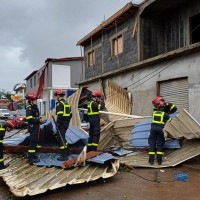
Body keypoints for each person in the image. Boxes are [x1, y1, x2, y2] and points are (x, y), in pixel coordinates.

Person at [148, 100, 172, 165]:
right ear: (163, 109)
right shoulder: (164, 114)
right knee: (159, 144)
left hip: (152, 129)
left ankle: (151, 161)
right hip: (160, 129)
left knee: (152, 144)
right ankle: (159, 161)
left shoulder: (154, 113)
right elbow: (170, 120)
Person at [54, 89, 72, 161]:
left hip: (61, 124)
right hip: (66, 123)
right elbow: (71, 114)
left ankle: (64, 155)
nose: (56, 97)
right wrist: (67, 121)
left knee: (61, 138)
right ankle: (67, 152)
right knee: (63, 137)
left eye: (57, 95)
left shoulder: (59, 104)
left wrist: (58, 124)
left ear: (59, 96)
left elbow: (60, 116)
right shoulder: (66, 103)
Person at [25, 92, 41, 164]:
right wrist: (38, 120)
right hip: (32, 127)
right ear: (31, 101)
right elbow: (29, 118)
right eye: (35, 100)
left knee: (35, 142)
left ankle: (33, 155)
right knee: (33, 142)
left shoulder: (35, 107)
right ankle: (31, 158)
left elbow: (37, 116)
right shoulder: (29, 108)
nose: (36, 101)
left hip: (36, 126)